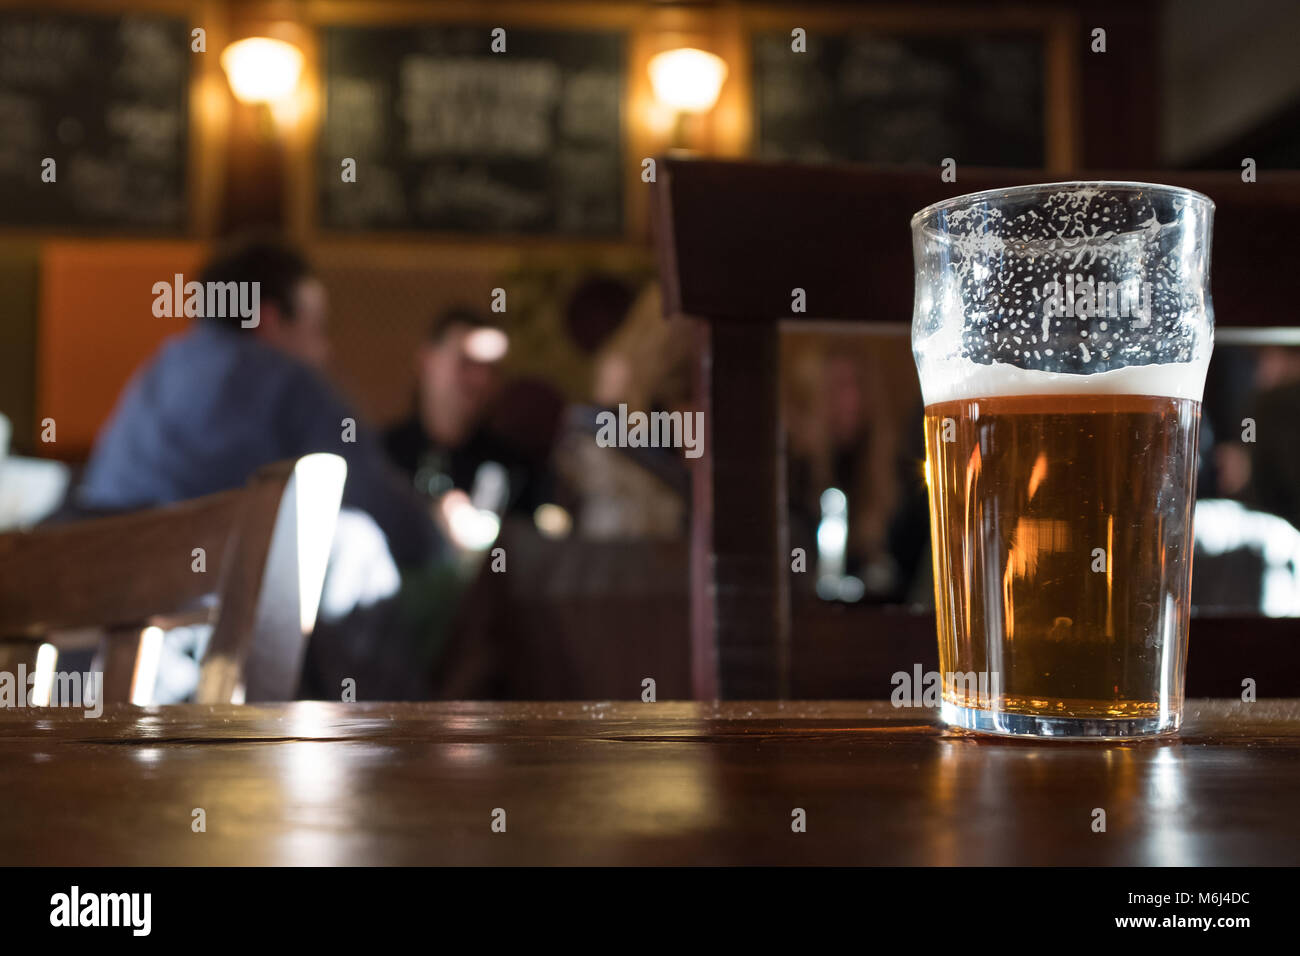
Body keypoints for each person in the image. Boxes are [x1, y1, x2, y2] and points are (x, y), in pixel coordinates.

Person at [75, 234, 442, 568]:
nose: (324, 351)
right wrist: (441, 538)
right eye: (316, 330)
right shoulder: (286, 379)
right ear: (268, 320)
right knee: (359, 543)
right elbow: (382, 507)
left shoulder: (161, 366)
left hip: (99, 592)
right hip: (202, 610)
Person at [384, 307, 542, 519]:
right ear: (427, 361)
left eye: (491, 368)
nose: (480, 380)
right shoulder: (382, 457)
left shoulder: (517, 472)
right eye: (466, 363)